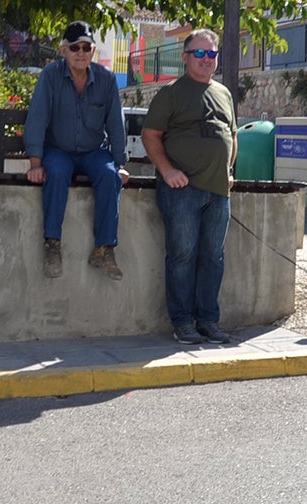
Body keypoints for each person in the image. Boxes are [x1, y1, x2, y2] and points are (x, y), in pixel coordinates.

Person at [141, 28, 238, 345]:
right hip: (182, 190)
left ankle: (208, 320)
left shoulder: (223, 93)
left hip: (218, 191)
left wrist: (229, 169)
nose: (207, 59)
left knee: (214, 258)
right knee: (182, 256)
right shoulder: (171, 93)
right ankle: (183, 323)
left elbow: (232, 136)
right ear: (185, 58)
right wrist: (167, 171)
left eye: (212, 54)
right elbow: (151, 135)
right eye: (200, 53)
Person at [23, 21, 130, 280]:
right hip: (58, 149)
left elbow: (116, 122)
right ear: (64, 51)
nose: (81, 53)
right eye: (74, 48)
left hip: (94, 151)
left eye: (86, 47)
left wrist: (120, 163)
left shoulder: (106, 79)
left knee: (109, 176)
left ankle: (104, 249)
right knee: (56, 172)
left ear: (93, 50)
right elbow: (37, 119)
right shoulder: (50, 75)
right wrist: (35, 164)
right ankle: (52, 245)